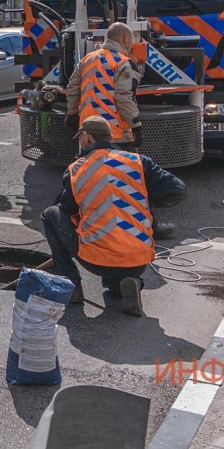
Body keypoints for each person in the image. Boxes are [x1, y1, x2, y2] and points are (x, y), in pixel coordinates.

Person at [40, 115, 185, 316]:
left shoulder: (77, 169)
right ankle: (129, 282)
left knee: (50, 214)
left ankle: (71, 286)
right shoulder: (138, 162)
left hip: (96, 260)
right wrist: (142, 203)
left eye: (80, 137)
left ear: (87, 137)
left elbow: (65, 208)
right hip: (138, 259)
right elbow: (177, 190)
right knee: (118, 267)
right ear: (109, 138)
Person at [66, 21, 142, 146]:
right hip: (114, 133)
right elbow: (124, 97)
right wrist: (136, 126)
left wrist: (72, 113)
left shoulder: (87, 59)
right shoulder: (122, 62)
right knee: (123, 164)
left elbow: (72, 88)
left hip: (87, 131)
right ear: (125, 38)